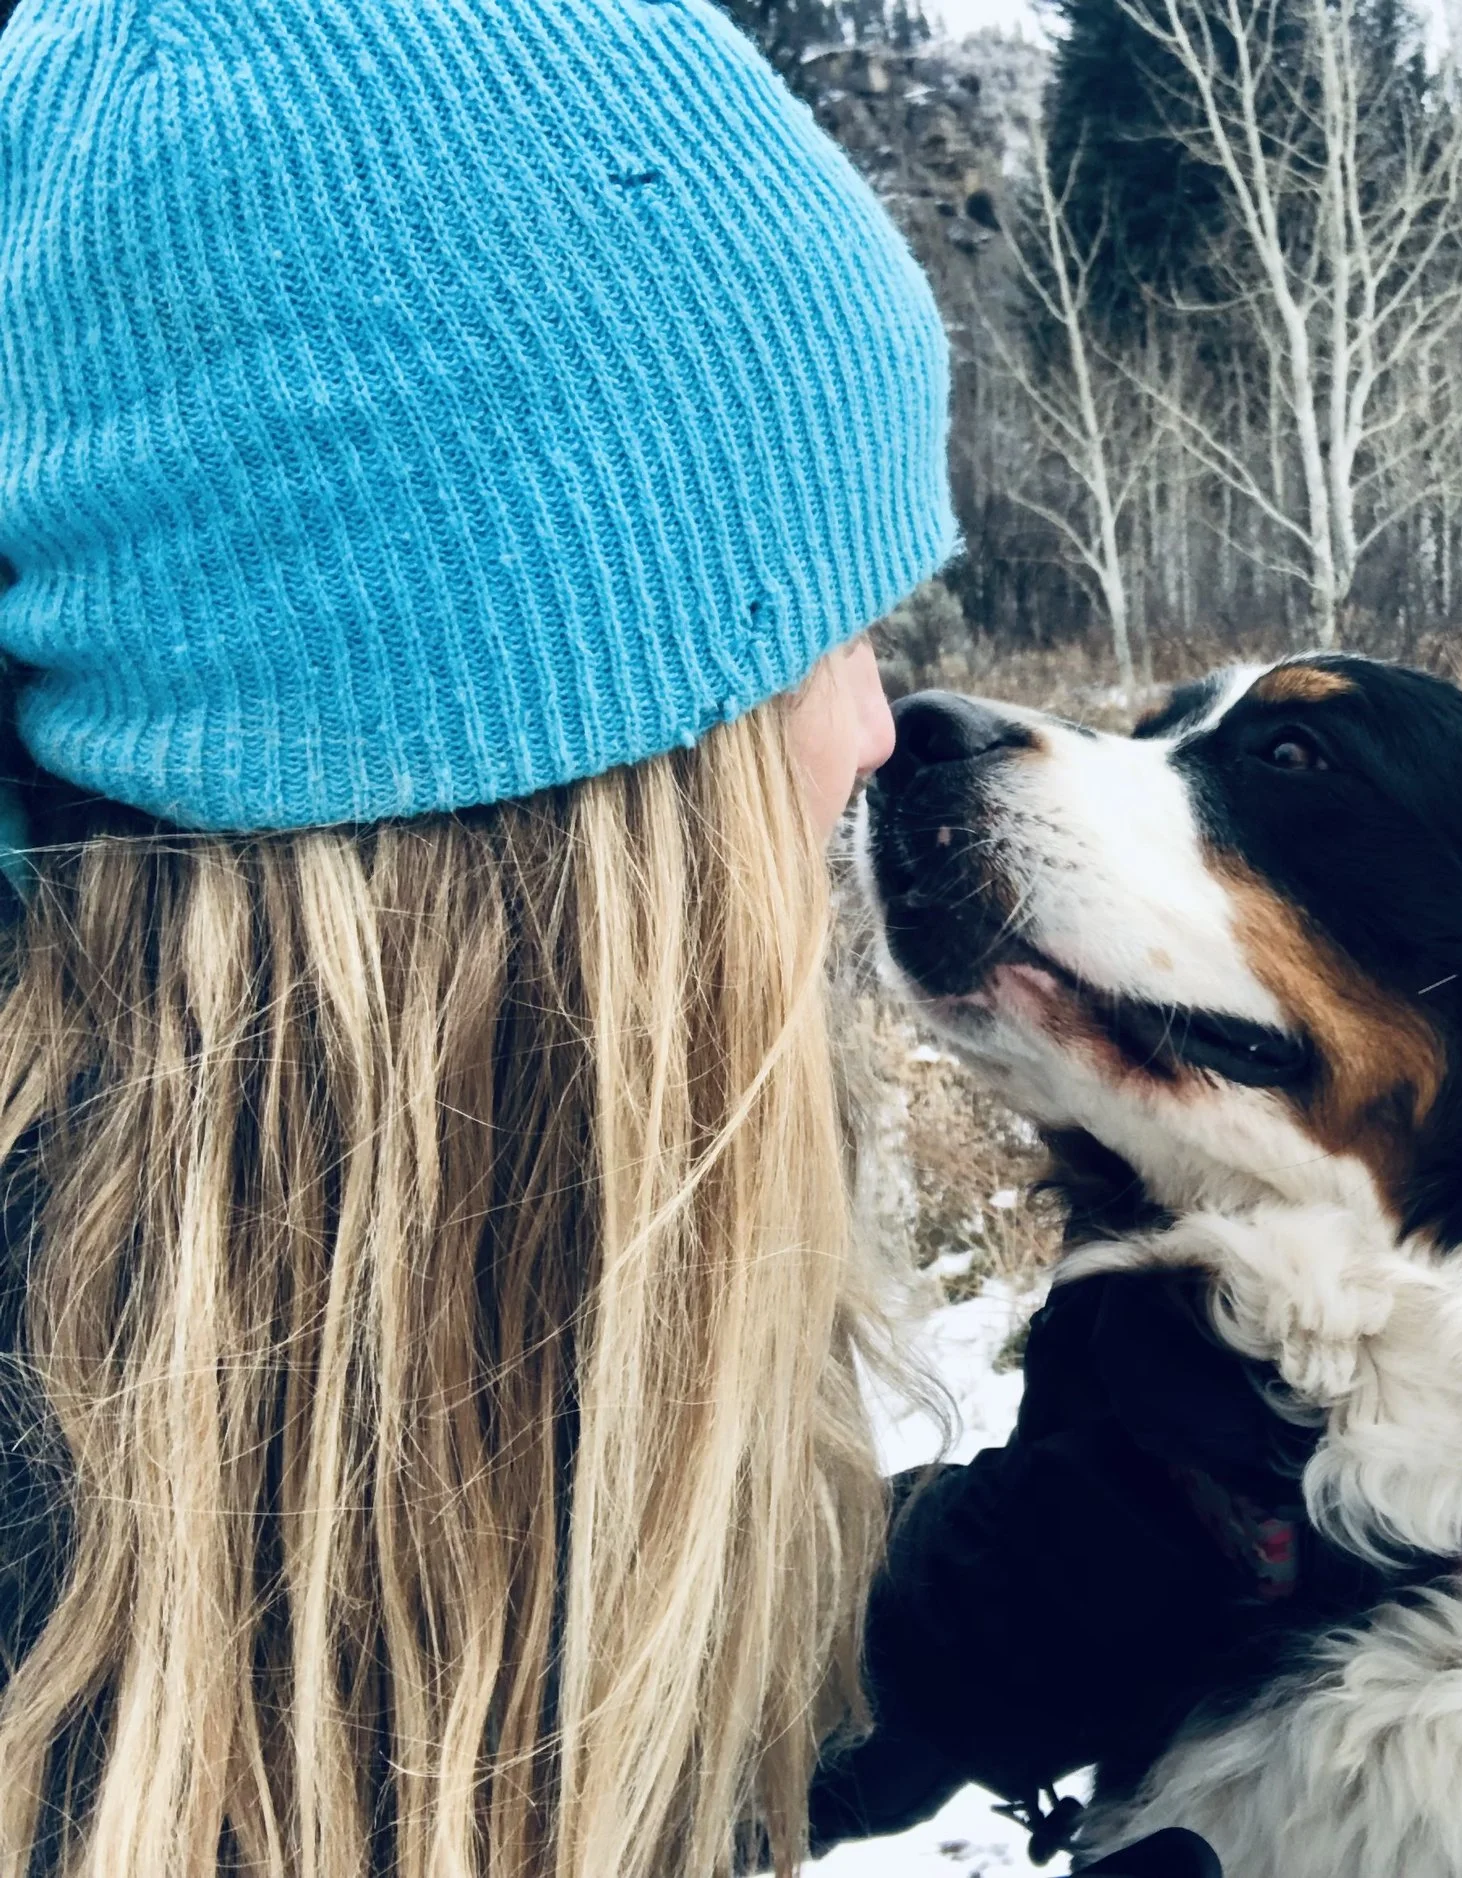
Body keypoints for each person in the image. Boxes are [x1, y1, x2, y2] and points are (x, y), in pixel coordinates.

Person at [0, 1, 984, 1873]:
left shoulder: (334, 1320)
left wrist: (960, 1634)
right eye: (808, 632)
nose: (876, 723)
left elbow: (460, 1687)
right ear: (513, 791)